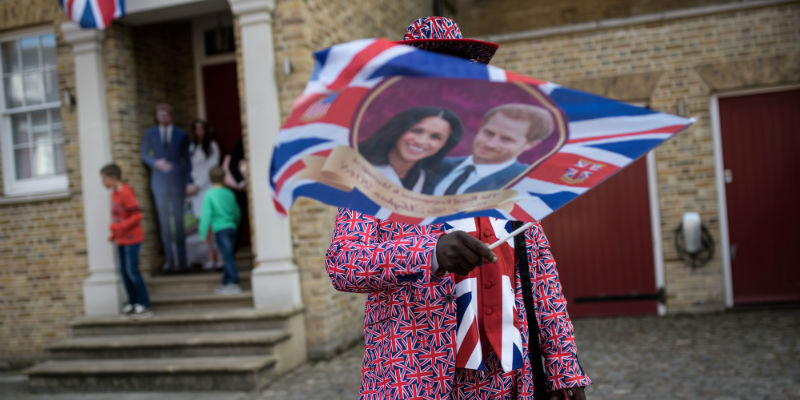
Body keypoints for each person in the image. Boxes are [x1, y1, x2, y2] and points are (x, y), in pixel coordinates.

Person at [324, 16, 590, 400]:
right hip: (417, 377)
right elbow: (343, 264)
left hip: (508, 379)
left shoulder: (508, 173)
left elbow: (542, 277)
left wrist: (564, 368)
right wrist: (429, 254)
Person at [429, 103, 555, 195]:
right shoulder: (437, 164)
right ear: (480, 127)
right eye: (488, 133)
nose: (490, 144)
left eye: (506, 139)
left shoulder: (526, 181)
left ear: (531, 145)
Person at [359, 107, 463, 192]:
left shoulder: (429, 186)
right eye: (417, 131)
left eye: (435, 137)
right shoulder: (356, 163)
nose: (421, 141)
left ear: (443, 145)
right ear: (399, 129)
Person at [141, 103, 192, 273]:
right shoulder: (150, 134)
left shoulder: (181, 135)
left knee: (178, 223)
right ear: (157, 116)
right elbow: (144, 154)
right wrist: (156, 163)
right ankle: (169, 261)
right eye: (160, 115)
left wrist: (188, 181)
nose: (163, 117)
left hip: (177, 182)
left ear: (170, 116)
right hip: (159, 182)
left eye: (166, 115)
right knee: (164, 223)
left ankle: (183, 261)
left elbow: (187, 161)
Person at [101, 163, 152, 318]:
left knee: (132, 270)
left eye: (104, 179)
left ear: (113, 178)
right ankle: (133, 302)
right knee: (124, 272)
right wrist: (114, 234)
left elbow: (137, 215)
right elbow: (118, 217)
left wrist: (120, 227)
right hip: (122, 239)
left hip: (133, 238)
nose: (103, 182)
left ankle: (144, 304)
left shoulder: (126, 193)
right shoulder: (114, 194)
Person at [198, 166, 242, 295]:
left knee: (227, 257)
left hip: (220, 229)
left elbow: (206, 216)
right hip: (232, 228)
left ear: (210, 179)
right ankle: (224, 283)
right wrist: (236, 224)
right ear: (224, 178)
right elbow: (237, 212)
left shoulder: (209, 194)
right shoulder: (229, 193)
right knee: (228, 255)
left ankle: (234, 282)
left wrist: (202, 233)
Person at [186, 119, 222, 270]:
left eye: (202, 129)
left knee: (214, 223)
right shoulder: (192, 147)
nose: (199, 132)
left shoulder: (213, 146)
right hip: (196, 192)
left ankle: (220, 256)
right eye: (196, 129)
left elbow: (212, 168)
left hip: (208, 187)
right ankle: (210, 255)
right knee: (203, 224)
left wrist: (198, 185)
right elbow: (188, 167)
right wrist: (189, 185)